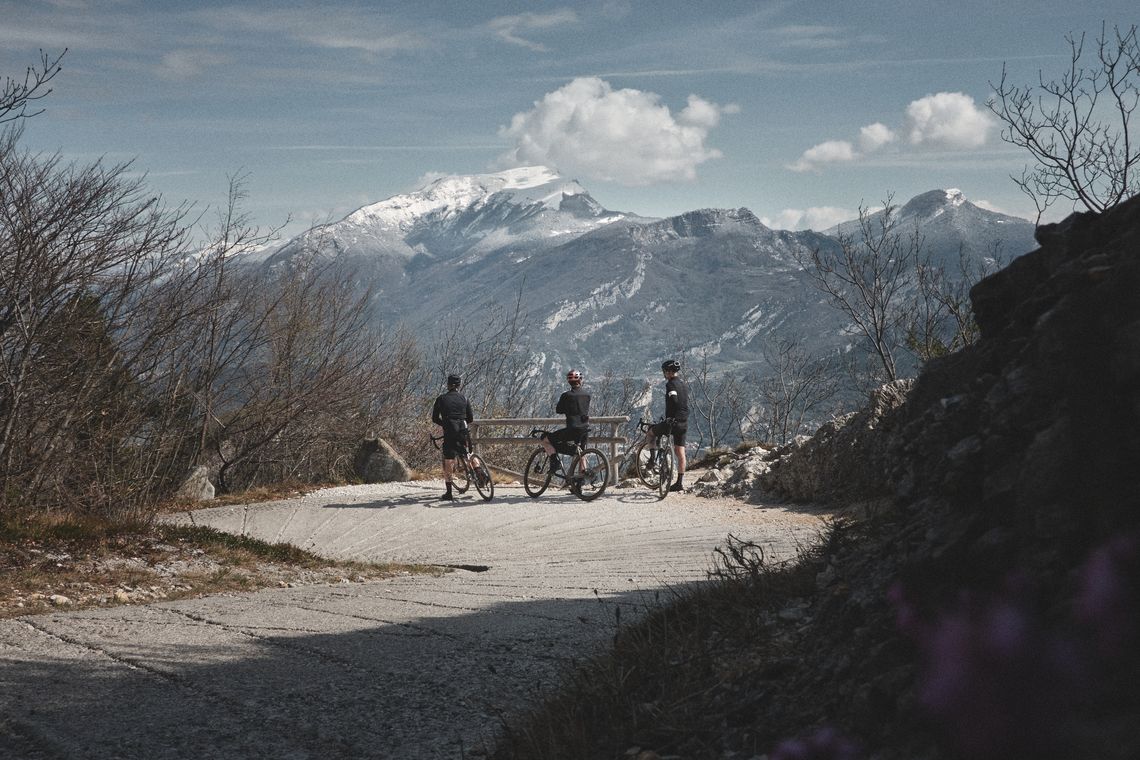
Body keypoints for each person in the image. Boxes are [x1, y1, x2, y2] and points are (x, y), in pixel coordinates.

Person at [641, 359, 689, 491]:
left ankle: (652, 459)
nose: (663, 374)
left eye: (664, 371)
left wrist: (671, 416)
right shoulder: (684, 385)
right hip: (684, 422)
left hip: (672, 423)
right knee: (680, 453)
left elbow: (674, 399)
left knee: (650, 432)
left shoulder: (670, 384)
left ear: (668, 372)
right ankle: (679, 483)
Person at [540, 369, 591, 482]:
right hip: (585, 429)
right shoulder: (587, 395)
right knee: (582, 453)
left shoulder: (566, 395)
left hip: (572, 429)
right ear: (580, 380)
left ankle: (555, 462)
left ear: (569, 382)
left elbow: (559, 410)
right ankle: (580, 481)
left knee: (545, 439)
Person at [431, 373, 473, 501]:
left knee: (449, 460)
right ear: (459, 385)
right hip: (463, 429)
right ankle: (479, 472)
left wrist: (444, 423)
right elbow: (470, 418)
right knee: (468, 453)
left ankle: (449, 492)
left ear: (448, 385)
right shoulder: (464, 399)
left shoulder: (441, 399)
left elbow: (434, 418)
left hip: (450, 431)